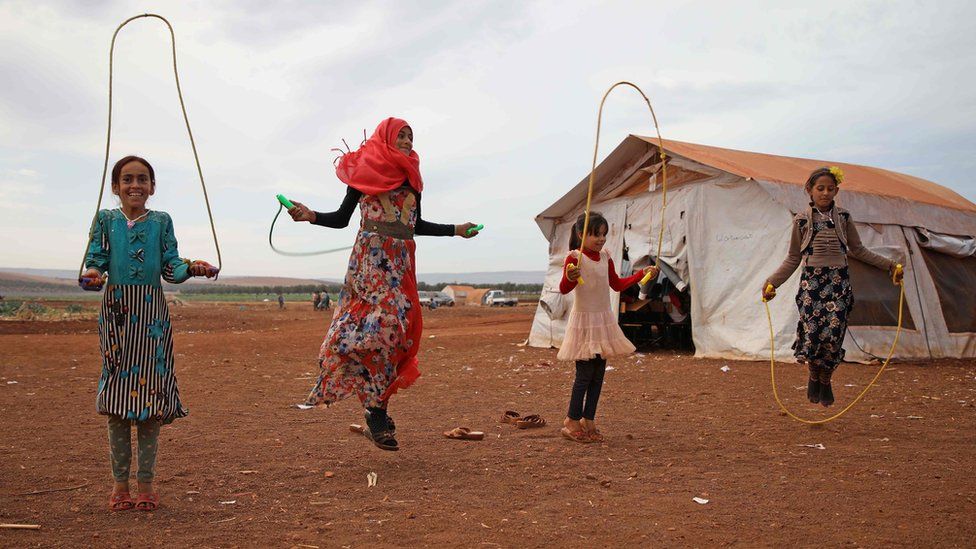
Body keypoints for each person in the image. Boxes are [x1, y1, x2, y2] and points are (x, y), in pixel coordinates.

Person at [287, 117, 479, 451]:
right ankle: (375, 412)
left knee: (398, 335)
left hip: (401, 262)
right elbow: (340, 219)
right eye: (401, 136)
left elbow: (416, 225)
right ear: (386, 139)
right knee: (378, 327)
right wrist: (310, 215)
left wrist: (456, 230)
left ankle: (377, 405)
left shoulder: (413, 180)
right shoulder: (365, 175)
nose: (407, 141)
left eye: (411, 136)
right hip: (370, 262)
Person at [79, 155, 217, 511]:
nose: (135, 185)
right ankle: (119, 485)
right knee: (117, 400)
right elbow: (96, 260)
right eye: (127, 179)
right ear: (115, 187)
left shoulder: (161, 222)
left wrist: (193, 267)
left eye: (142, 179)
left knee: (151, 400)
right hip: (117, 314)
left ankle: (147, 484)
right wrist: (93, 276)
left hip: (152, 316)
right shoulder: (105, 220)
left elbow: (171, 266)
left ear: (153, 187)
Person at [762, 166, 902, 406]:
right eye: (820, 188)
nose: (825, 193)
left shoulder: (844, 218)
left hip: (838, 284)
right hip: (812, 284)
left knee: (833, 335)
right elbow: (793, 258)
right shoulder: (802, 220)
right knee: (814, 335)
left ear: (836, 190)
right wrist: (772, 282)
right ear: (809, 190)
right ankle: (814, 375)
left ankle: (825, 379)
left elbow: (859, 250)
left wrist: (890, 266)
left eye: (830, 188)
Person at [558, 212, 658, 443]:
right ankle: (571, 420)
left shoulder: (606, 257)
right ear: (581, 234)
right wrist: (570, 276)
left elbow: (617, 284)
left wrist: (642, 274)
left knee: (598, 375)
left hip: (603, 321)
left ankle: (588, 419)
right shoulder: (574, 258)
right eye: (596, 234)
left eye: (604, 234)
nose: (601, 239)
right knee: (584, 376)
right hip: (584, 322)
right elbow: (564, 289)